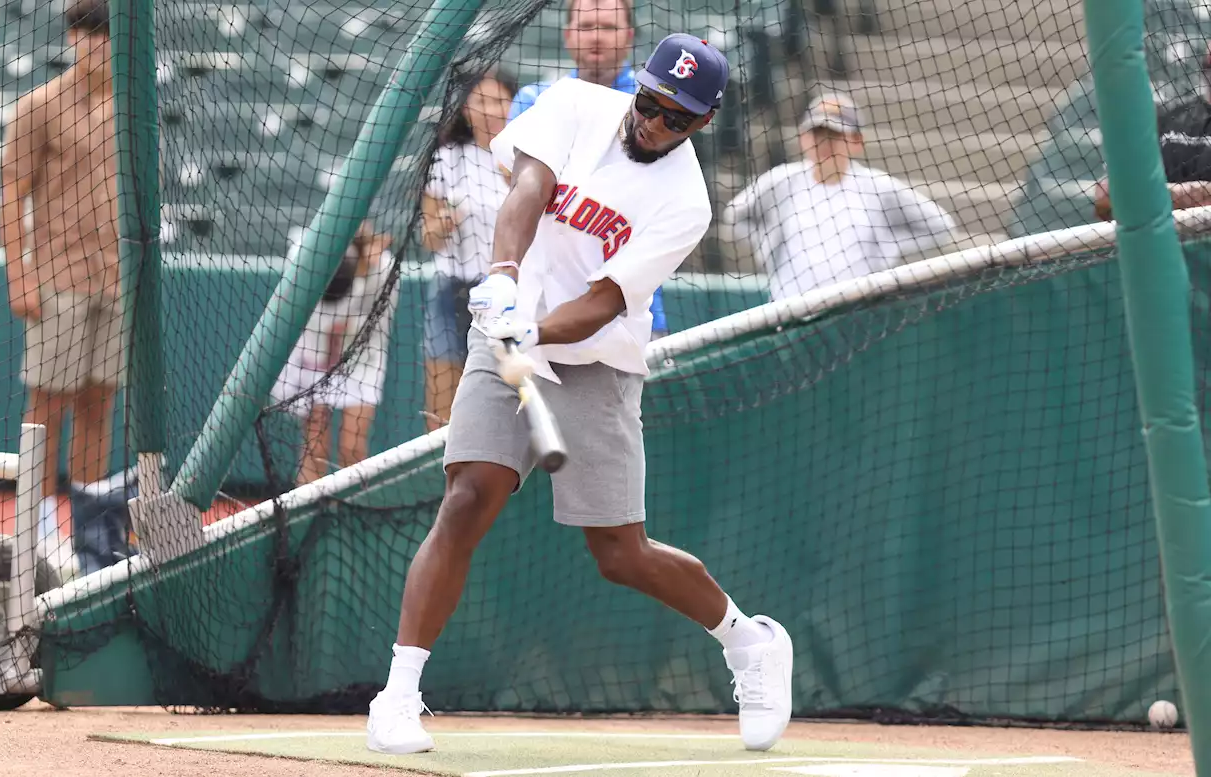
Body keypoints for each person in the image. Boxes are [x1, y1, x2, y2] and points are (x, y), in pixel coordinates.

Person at [365, 34, 793, 756]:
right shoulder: (574, 104)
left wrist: (530, 330)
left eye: (676, 117)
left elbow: (602, 303)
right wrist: (503, 278)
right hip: (506, 326)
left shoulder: (686, 202)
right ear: (639, 87)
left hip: (595, 360)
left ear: (704, 120)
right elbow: (529, 189)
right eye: (650, 102)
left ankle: (749, 643)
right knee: (470, 495)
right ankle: (398, 693)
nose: (654, 122)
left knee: (620, 552)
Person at [1, 0, 122, 542]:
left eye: (102, 32)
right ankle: (39, 523)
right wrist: (19, 275)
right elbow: (11, 193)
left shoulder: (133, 108)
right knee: (48, 405)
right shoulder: (38, 106)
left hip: (117, 280)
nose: (92, 42)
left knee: (100, 403)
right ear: (70, 36)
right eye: (82, 31)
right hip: (58, 278)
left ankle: (90, 527)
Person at [508, 0, 671, 340]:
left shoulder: (656, 109)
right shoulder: (535, 98)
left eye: (609, 27)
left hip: (630, 306)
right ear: (568, 36)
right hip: (537, 298)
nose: (596, 37)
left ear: (628, 36)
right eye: (586, 27)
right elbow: (522, 190)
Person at [722, 93, 956, 302]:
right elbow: (734, 215)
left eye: (834, 134)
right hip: (788, 309)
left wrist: (887, 247)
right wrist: (767, 242)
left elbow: (941, 226)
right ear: (803, 138)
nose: (823, 143)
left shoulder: (877, 187)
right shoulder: (782, 181)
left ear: (856, 141)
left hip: (854, 313)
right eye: (817, 133)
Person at [421, 69, 517, 431]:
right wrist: (442, 224)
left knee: (501, 399)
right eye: (481, 101)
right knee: (441, 405)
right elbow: (427, 238)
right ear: (464, 109)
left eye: (499, 101)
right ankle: (437, 485)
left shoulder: (523, 156)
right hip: (450, 291)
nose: (491, 111)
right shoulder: (447, 158)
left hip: (504, 295)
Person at [271, 223, 397, 487]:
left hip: (363, 361)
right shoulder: (305, 257)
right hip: (315, 355)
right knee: (314, 447)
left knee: (352, 448)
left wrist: (363, 276)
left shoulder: (385, 267)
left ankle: (352, 514)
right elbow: (315, 321)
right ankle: (305, 516)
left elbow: (378, 325)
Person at [1094, 42, 1211, 220]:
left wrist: (1150, 196)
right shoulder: (1168, 116)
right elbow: (1106, 195)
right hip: (1160, 243)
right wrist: (1185, 194)